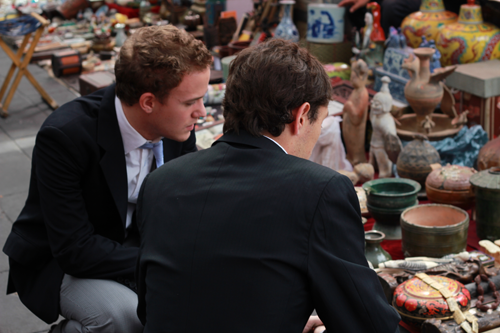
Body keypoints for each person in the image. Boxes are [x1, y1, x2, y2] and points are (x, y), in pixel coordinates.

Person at [136, 38, 401, 332]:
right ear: (301, 116)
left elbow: (161, 307)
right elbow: (370, 324)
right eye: (321, 122)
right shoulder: (319, 191)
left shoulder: (159, 182)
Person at [2, 24, 212, 333]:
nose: (202, 111)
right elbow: (75, 249)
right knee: (126, 317)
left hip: (136, 246)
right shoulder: (65, 136)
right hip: (60, 260)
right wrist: (165, 262)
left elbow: (187, 204)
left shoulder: (176, 128)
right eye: (190, 102)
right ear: (148, 102)